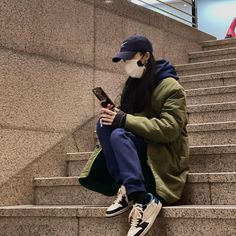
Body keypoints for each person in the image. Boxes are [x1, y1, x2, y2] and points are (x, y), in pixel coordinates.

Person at [79, 34, 189, 236]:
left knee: (120, 134)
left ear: (146, 56)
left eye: (130, 58)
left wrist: (124, 119)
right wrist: (115, 113)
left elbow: (170, 129)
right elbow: (128, 119)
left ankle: (143, 199)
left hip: (164, 153)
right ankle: (127, 186)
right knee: (105, 125)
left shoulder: (171, 88)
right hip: (142, 145)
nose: (127, 64)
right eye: (124, 59)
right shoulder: (133, 85)